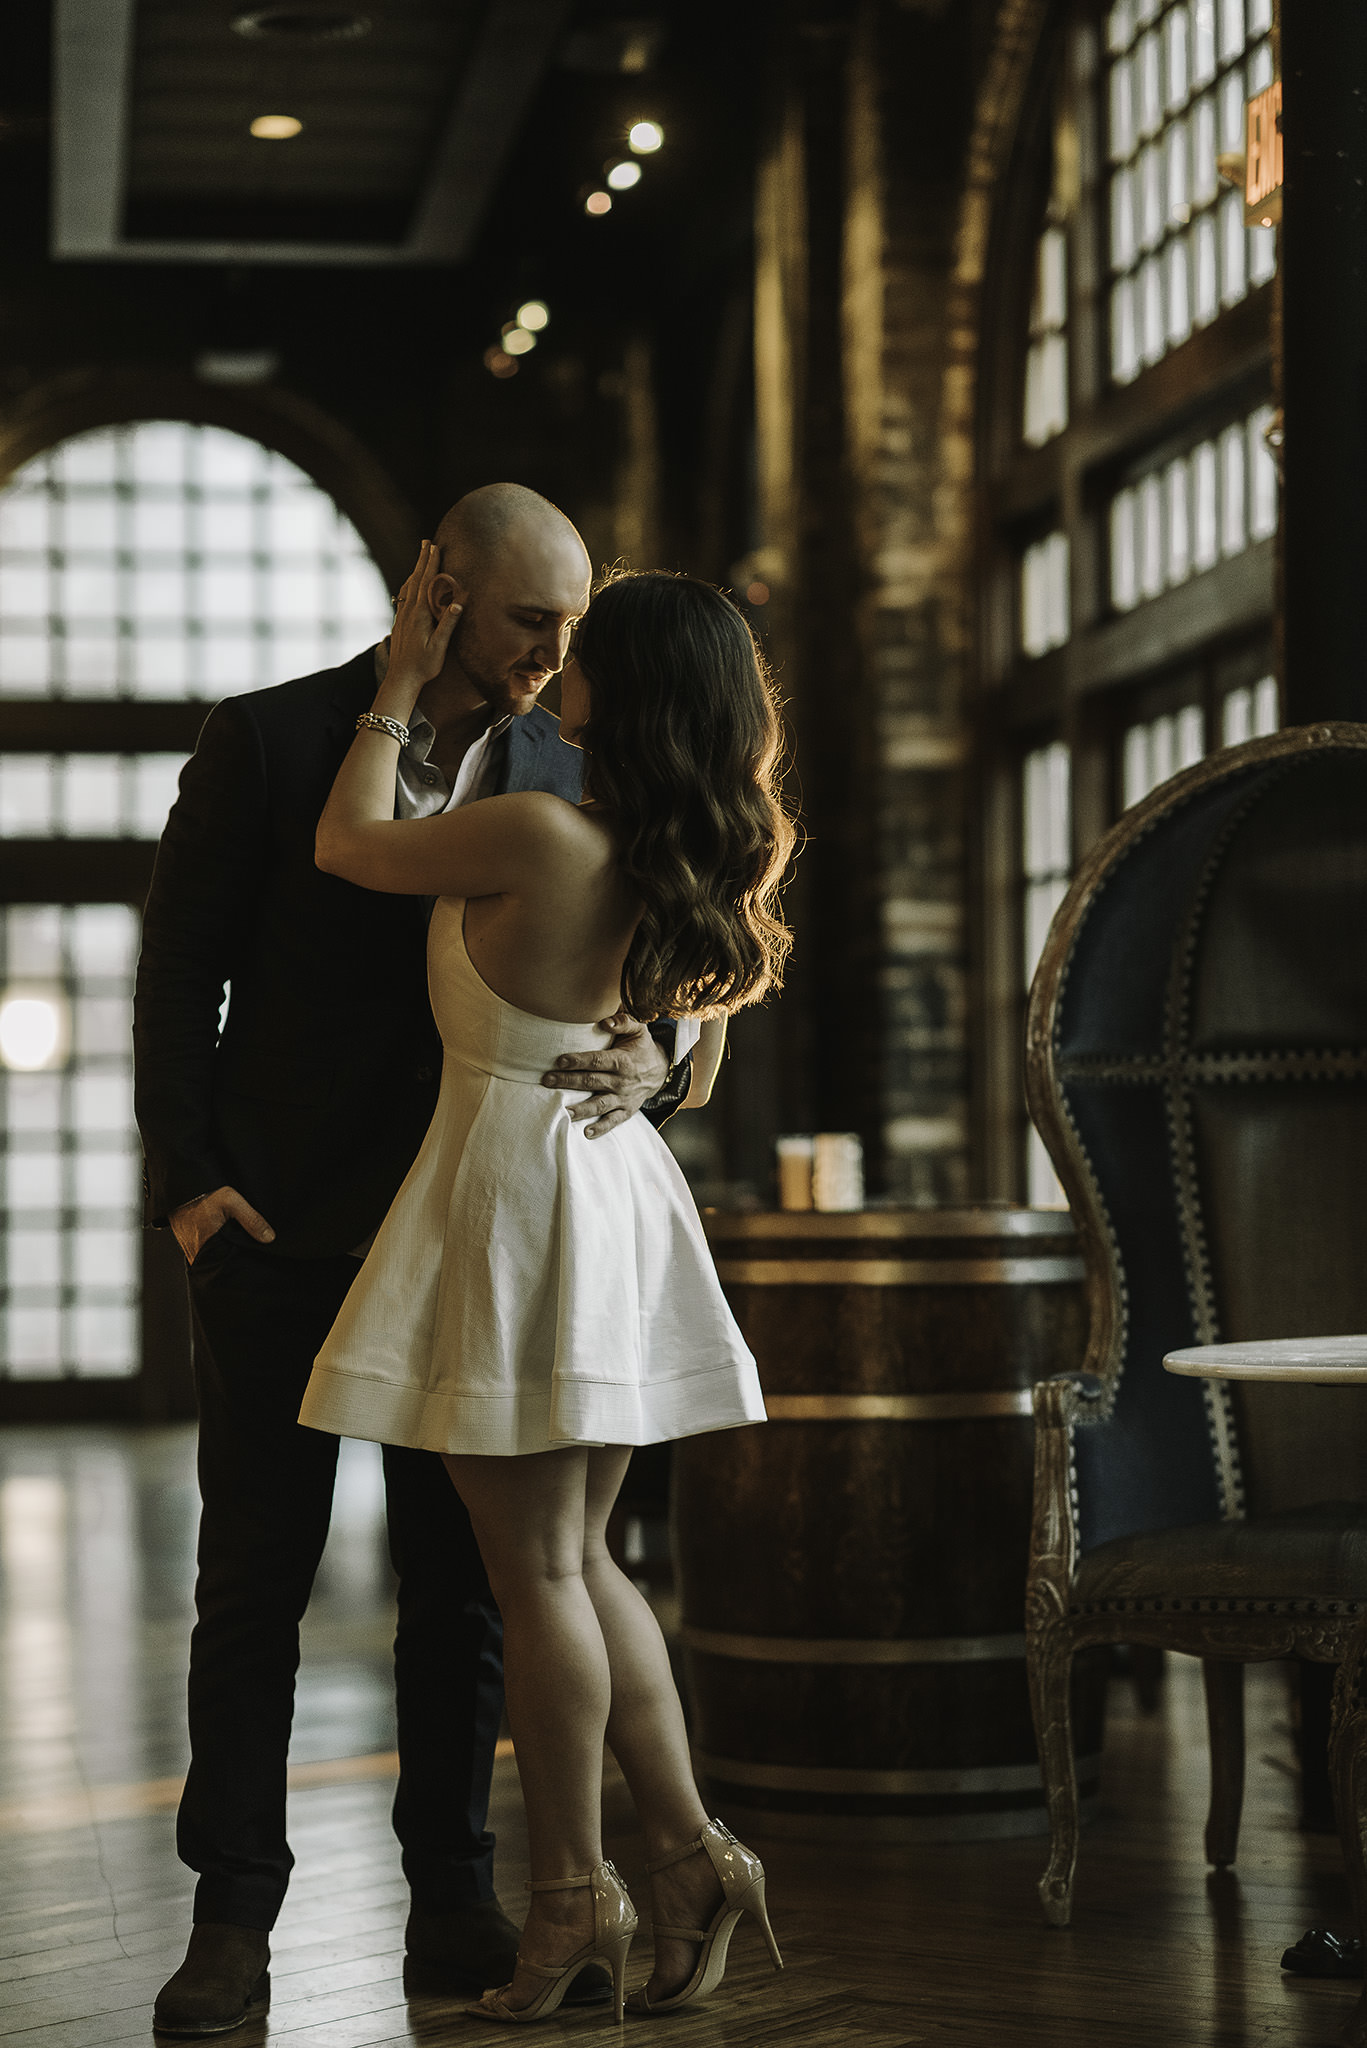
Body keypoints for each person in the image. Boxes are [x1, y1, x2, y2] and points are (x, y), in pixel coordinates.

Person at [134, 485, 689, 2037]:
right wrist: (190, 1183)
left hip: (478, 1228)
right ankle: (232, 1921)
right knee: (255, 1582)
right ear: (436, 590)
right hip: (283, 1224)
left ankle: (452, 1895)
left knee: (472, 1595)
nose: (553, 657)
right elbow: (177, 977)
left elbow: (670, 928)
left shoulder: (576, 756)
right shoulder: (268, 740)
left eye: (575, 629)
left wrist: (674, 1050)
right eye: (531, 622)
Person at [297, 548, 796, 2025]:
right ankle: (692, 1858)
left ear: (619, 688)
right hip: (610, 1190)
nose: (560, 652)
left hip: (522, 1185)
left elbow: (347, 846)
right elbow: (697, 1016)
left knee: (539, 1578)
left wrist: (396, 686)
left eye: (589, 640)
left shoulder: (534, 828)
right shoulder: (666, 848)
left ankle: (577, 1894)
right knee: (583, 1563)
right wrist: (672, 1055)